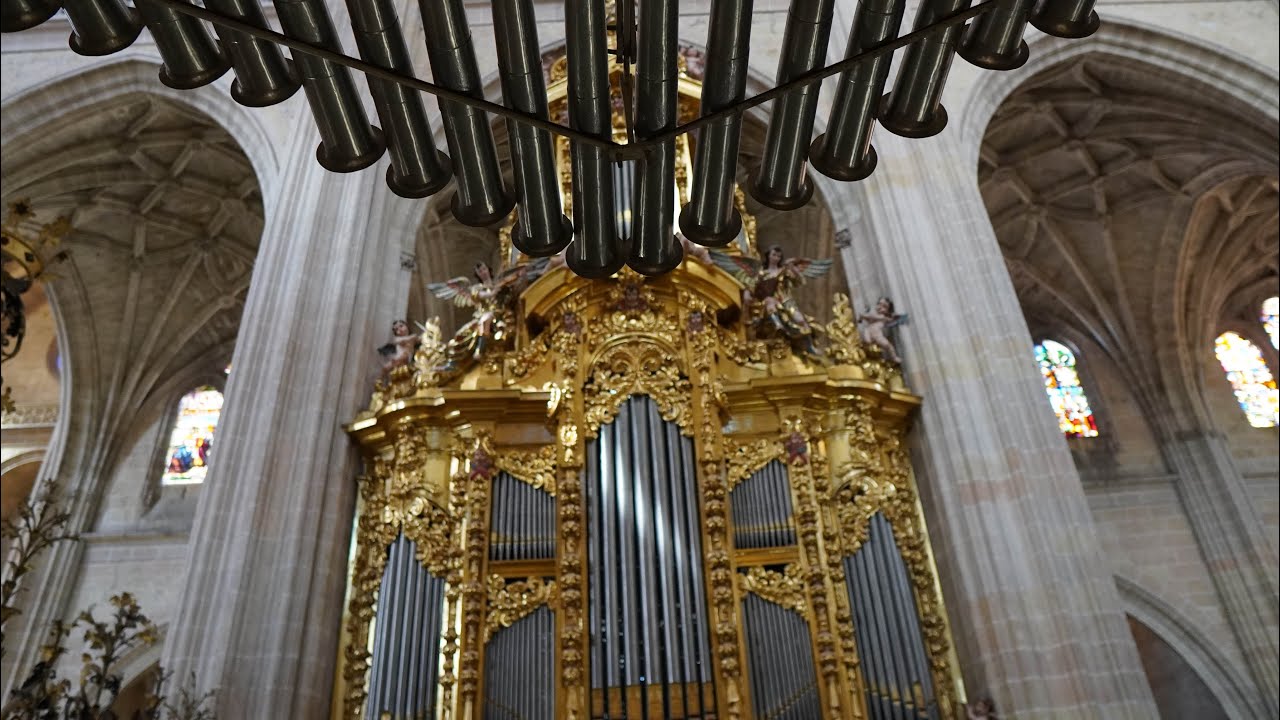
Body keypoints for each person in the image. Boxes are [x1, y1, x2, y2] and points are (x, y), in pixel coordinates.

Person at [711, 245, 832, 356]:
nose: (776, 257)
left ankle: (811, 348)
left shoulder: (784, 271)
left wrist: (792, 268)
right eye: (774, 254)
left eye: (778, 256)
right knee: (769, 304)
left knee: (800, 320)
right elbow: (752, 285)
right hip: (769, 301)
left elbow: (799, 281)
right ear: (768, 255)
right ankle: (779, 326)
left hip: (786, 300)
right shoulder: (761, 273)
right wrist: (747, 294)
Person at [859, 296, 906, 364]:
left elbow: (873, 317)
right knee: (867, 341)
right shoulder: (874, 314)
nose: (880, 307)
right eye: (879, 304)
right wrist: (863, 317)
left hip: (878, 336)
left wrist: (864, 316)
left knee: (888, 345)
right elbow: (869, 317)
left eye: (884, 306)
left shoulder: (882, 317)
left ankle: (894, 357)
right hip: (868, 331)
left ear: (887, 311)